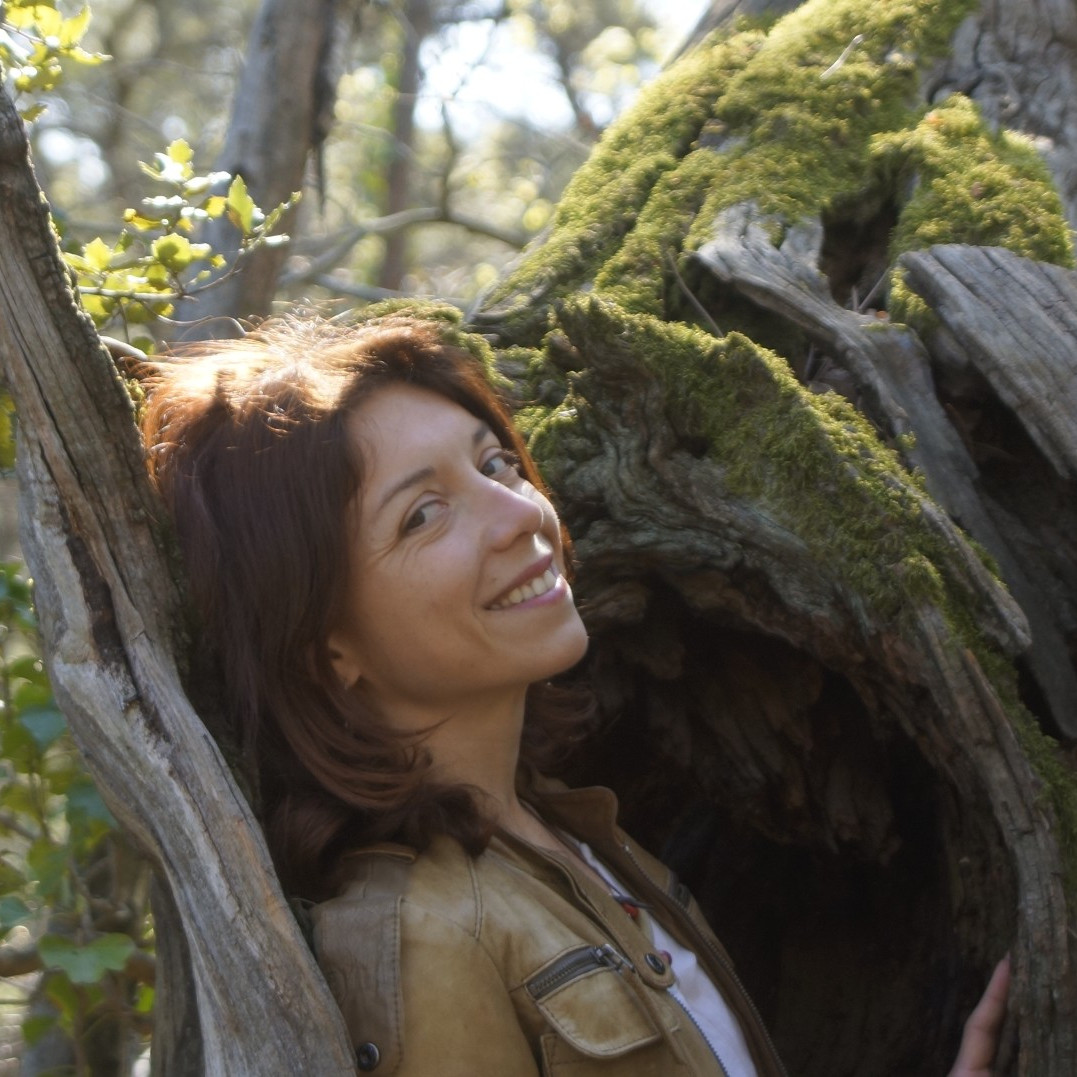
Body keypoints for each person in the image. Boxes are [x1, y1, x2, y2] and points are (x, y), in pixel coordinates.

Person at [140, 312, 1009, 1076]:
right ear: (326, 646)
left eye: (494, 463)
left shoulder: (580, 837)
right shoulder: (427, 941)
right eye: (423, 513)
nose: (520, 511)